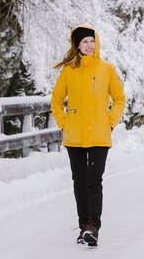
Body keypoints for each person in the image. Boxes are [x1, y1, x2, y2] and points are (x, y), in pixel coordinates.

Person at [51, 24, 125, 247]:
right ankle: (83, 225)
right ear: (77, 45)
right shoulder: (69, 71)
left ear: (97, 42)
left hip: (100, 136)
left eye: (92, 41)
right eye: (84, 42)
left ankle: (93, 226)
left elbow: (119, 99)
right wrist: (65, 123)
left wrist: (110, 122)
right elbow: (56, 100)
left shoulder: (107, 70)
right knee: (79, 182)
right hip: (74, 137)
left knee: (94, 181)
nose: (89, 45)